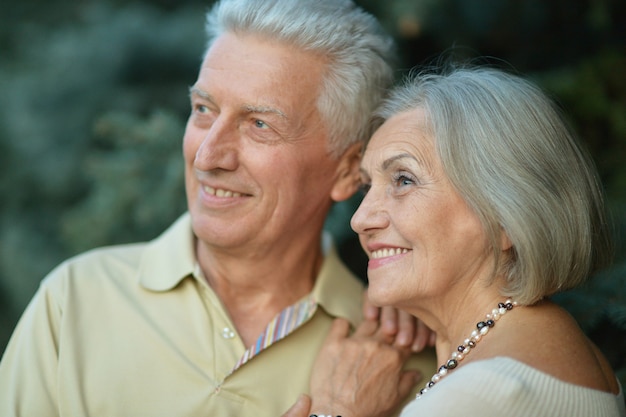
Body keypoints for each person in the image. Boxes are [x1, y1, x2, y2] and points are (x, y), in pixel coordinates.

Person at [0, 0, 438, 416]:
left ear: (346, 170)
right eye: (203, 109)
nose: (207, 155)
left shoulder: (397, 369)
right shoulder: (74, 301)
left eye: (259, 124)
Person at [283, 64, 626, 417]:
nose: (360, 219)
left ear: (504, 216)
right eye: (369, 187)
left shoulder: (476, 396)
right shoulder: (546, 350)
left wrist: (335, 410)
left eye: (403, 180)